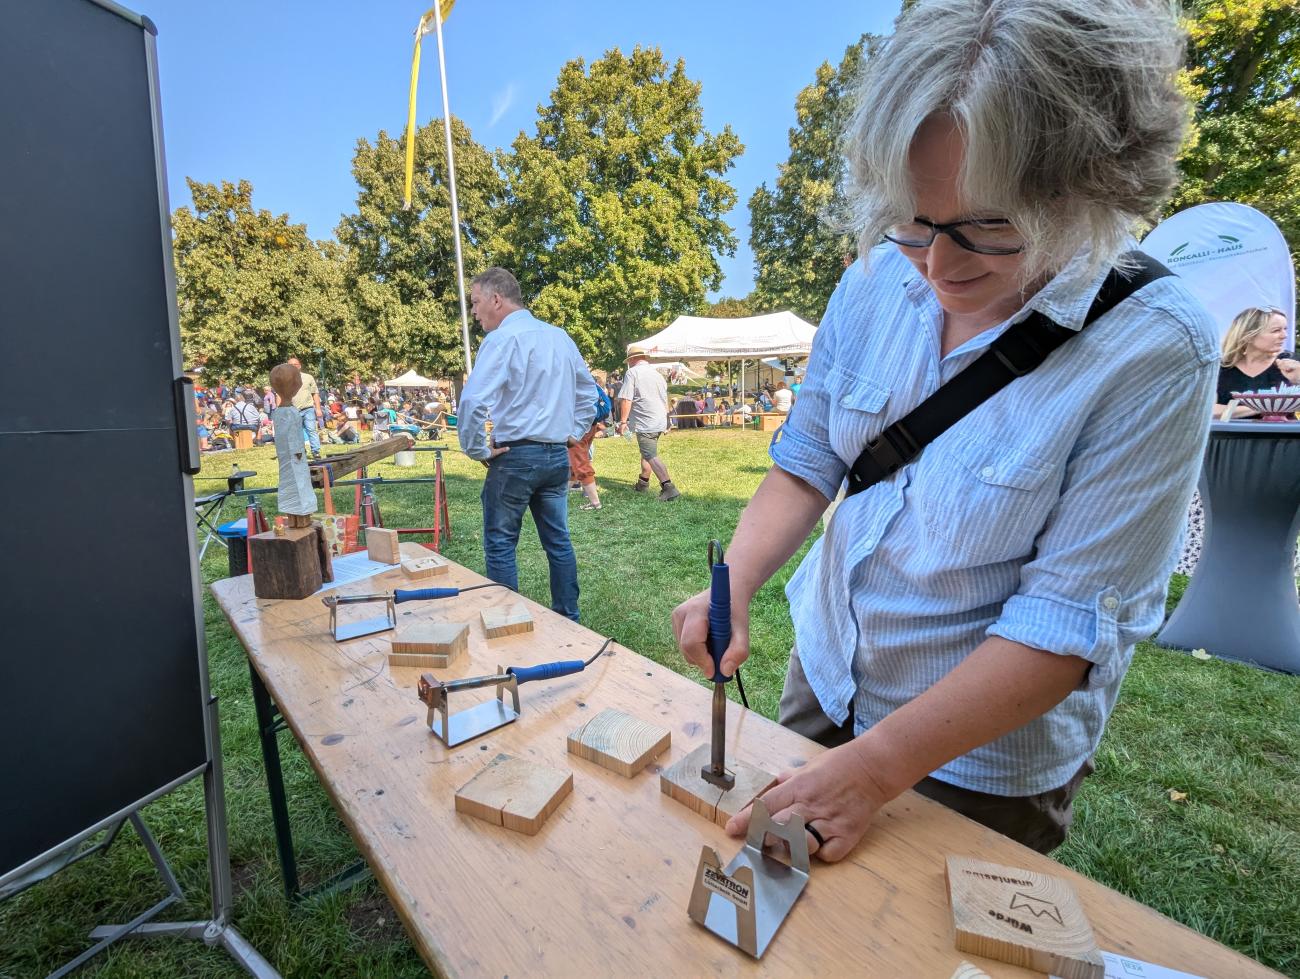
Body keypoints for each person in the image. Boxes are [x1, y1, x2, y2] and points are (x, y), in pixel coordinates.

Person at [672, 0, 1216, 861]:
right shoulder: (875, 277)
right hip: (830, 666)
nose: (939, 266)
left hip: (978, 754)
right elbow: (808, 463)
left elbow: (1062, 628)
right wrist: (732, 582)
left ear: (1094, 183)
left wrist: (877, 769)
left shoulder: (1158, 347)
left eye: (991, 225)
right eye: (916, 221)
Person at [458, 267, 597, 622]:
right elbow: (589, 395)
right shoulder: (560, 337)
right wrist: (571, 431)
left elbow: (473, 402)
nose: (474, 312)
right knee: (558, 541)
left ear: (496, 299)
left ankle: (507, 622)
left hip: (517, 456)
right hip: (554, 458)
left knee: (501, 543)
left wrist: (477, 450)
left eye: (475, 303)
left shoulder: (503, 339)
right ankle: (569, 618)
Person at [615, 346, 680, 501]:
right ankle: (642, 483)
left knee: (650, 454)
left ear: (631, 359)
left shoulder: (632, 373)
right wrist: (667, 421)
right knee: (647, 452)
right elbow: (664, 399)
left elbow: (626, 399)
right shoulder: (657, 375)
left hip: (645, 421)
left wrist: (623, 421)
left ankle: (668, 487)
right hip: (658, 420)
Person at [1213, 307, 1299, 418]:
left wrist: (1298, 379)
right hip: (1229, 434)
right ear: (1248, 336)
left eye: (1285, 329)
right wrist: (1264, 406)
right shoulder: (1219, 368)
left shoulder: (1294, 364)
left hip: (1283, 434)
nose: (1284, 335)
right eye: (1276, 330)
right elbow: (1207, 411)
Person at [286, 356, 323, 460]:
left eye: (295, 364)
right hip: (292, 410)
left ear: (300, 366)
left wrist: (318, 409)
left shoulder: (308, 377)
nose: (293, 367)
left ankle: (316, 452)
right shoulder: (284, 379)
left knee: (311, 430)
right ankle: (302, 452)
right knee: (297, 432)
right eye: (290, 365)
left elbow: (315, 393)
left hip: (308, 409)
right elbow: (280, 395)